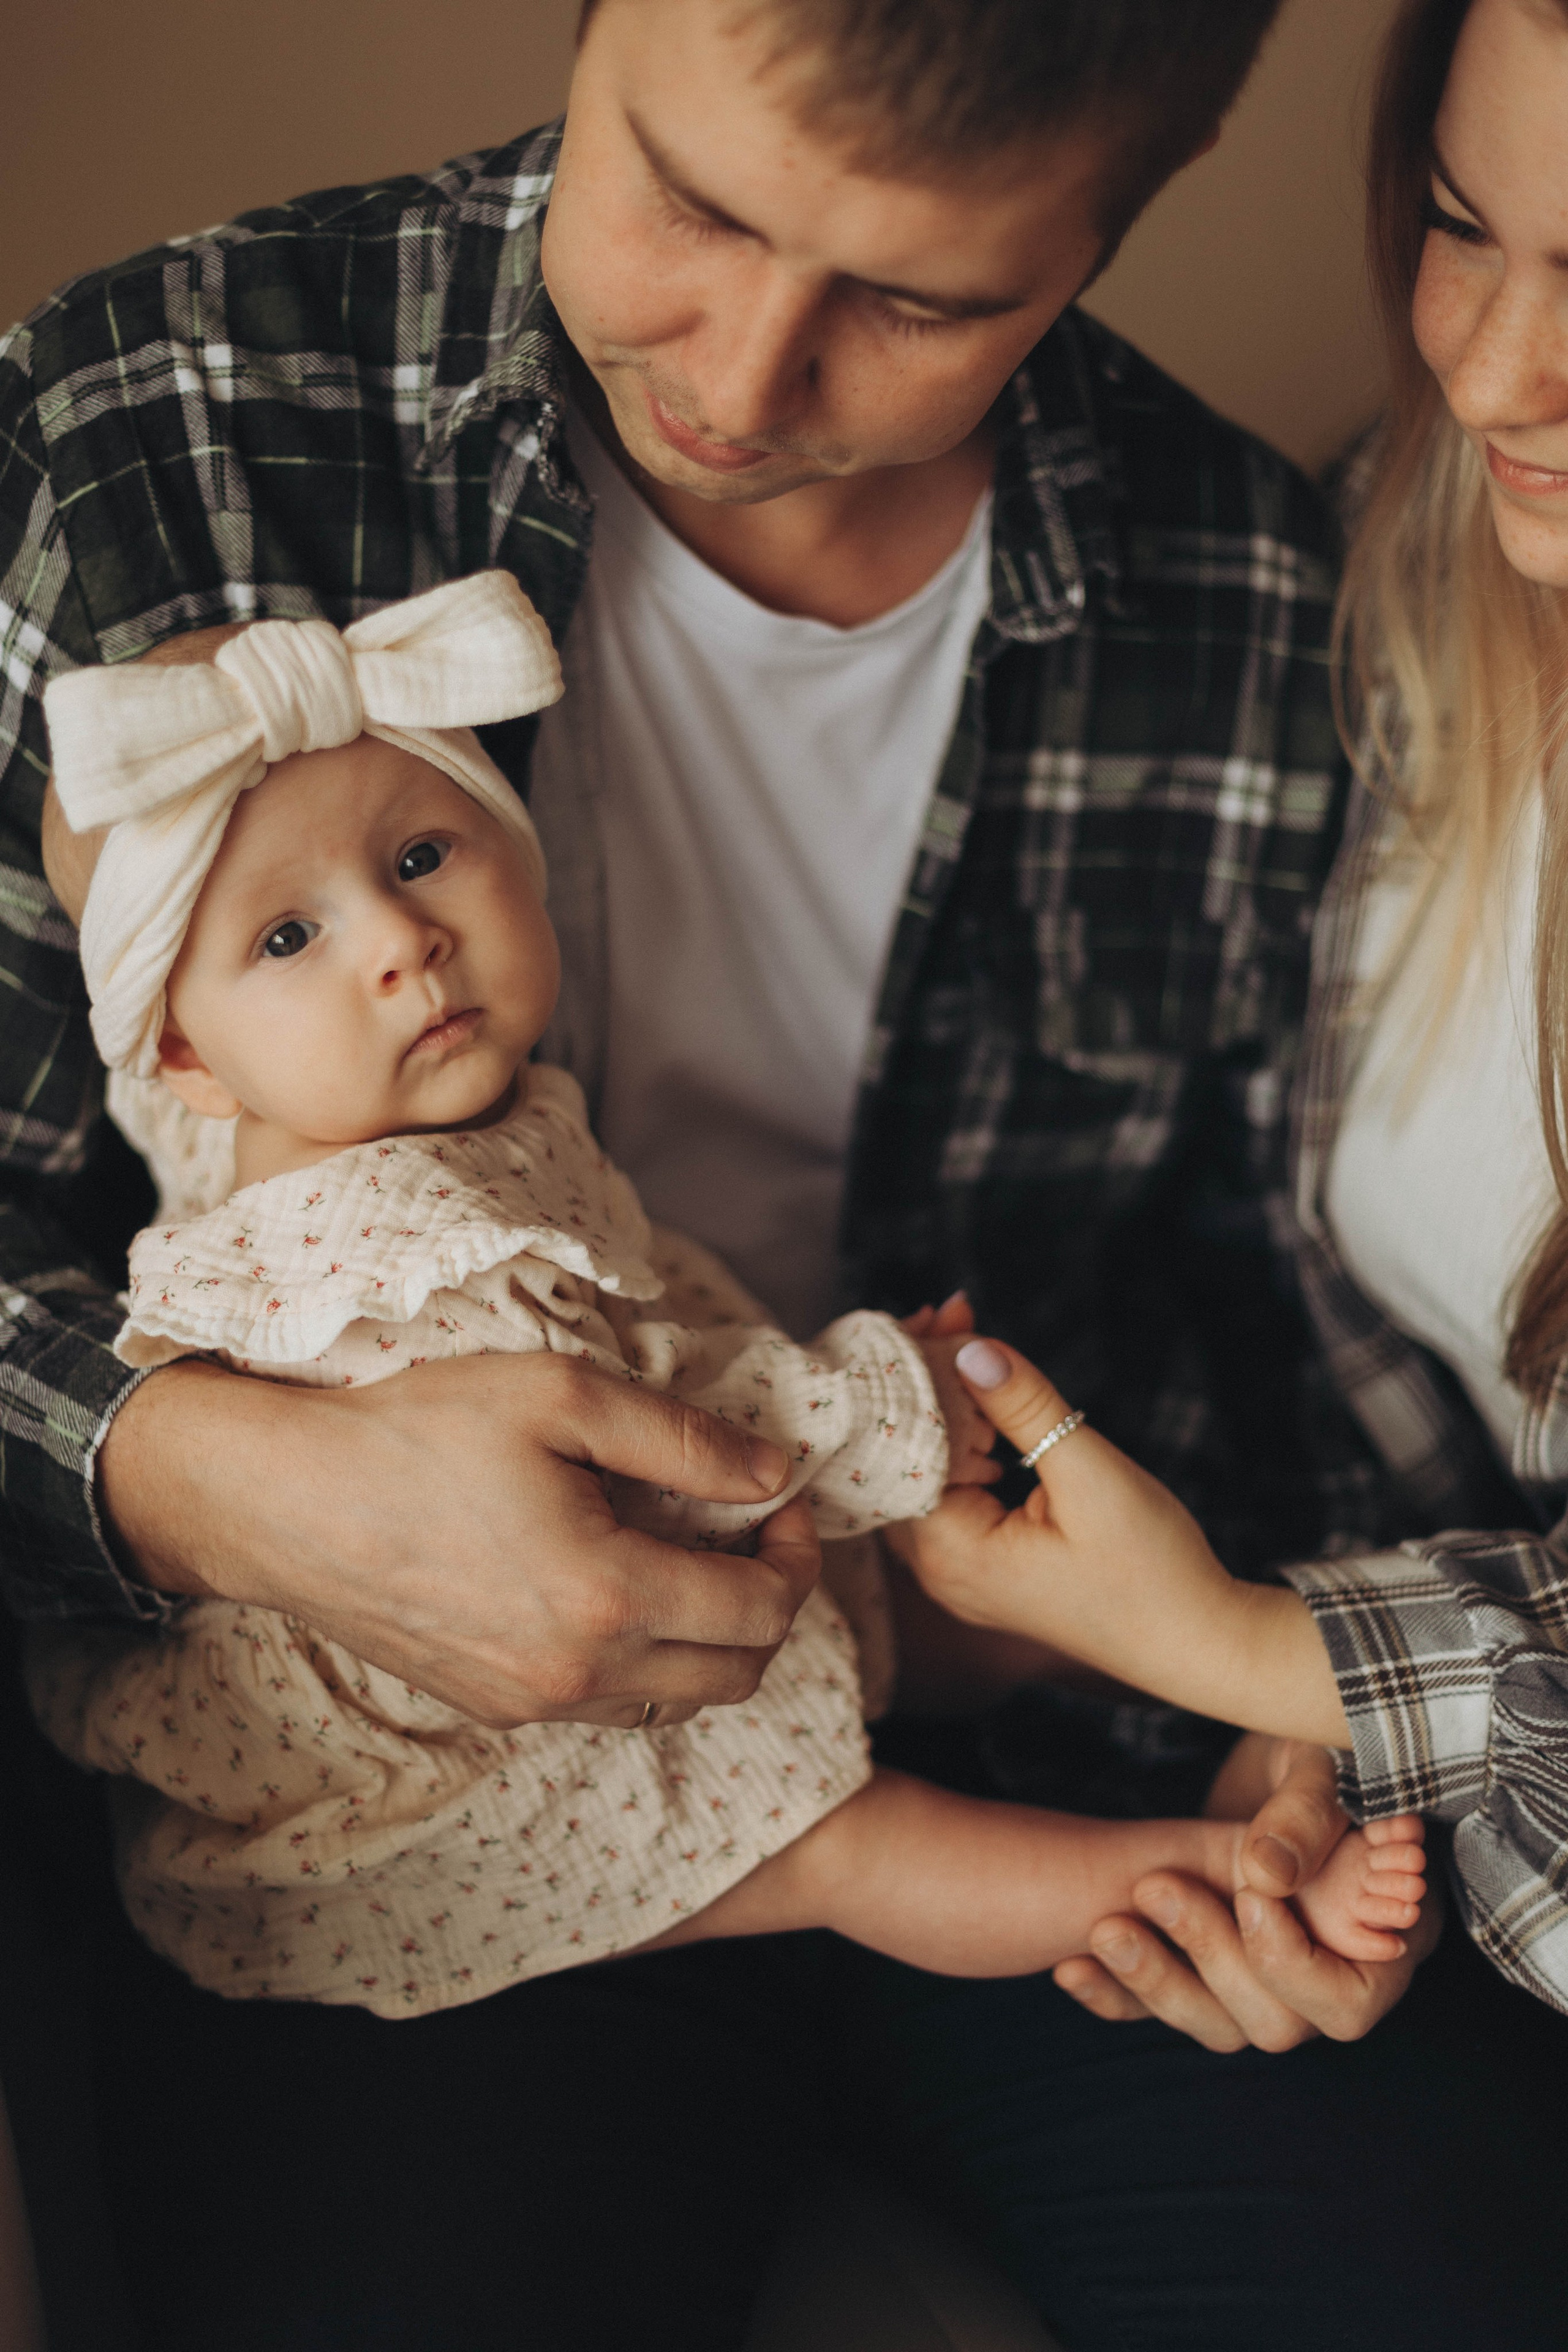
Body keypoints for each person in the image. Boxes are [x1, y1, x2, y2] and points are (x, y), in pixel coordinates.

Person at [1, 0, 1561, 2345]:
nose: (740, 367)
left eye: (919, 302)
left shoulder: (1239, 584)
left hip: (1019, 1735)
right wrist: (205, 1478)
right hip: (422, 1799)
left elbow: (1271, 1280)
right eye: (692, 206)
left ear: (1110, 225)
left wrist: (1288, 1717)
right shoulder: (158, 425)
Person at [34, 575, 1418, 2002]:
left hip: (605, 1629)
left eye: (421, 855)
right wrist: (884, 1402)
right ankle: (1215, 1889)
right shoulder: (386, 1236)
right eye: (287, 938)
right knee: (857, 1849)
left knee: (958, 1611)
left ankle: (1237, 1684)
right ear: (184, 1057)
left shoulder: (290, 1100)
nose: (401, 943)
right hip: (465, 1757)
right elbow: (654, 1451)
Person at [895, 0, 1568, 2031]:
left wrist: (1268, 1655)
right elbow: (1386, 1397)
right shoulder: (1412, 594)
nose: (1488, 366)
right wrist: (1323, 1754)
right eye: (1464, 227)